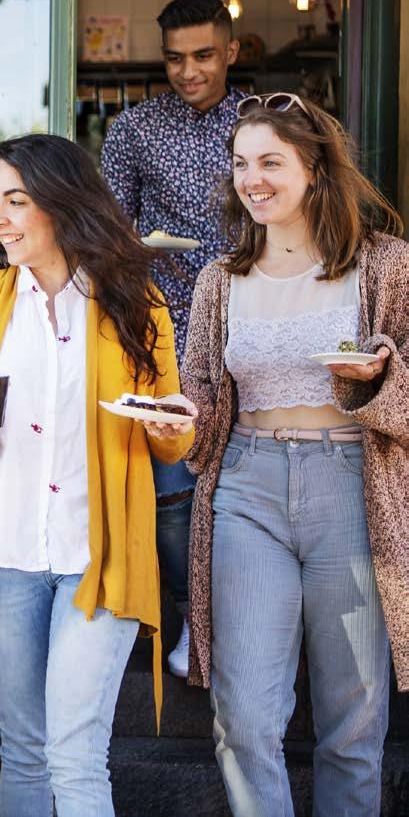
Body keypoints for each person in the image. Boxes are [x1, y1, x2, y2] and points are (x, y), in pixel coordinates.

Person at [0, 133, 196, 816]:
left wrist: (171, 426)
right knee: (23, 748)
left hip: (97, 559)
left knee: (74, 756)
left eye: (16, 200)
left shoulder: (134, 302)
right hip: (4, 556)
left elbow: (171, 439)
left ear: (62, 203)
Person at [181, 93, 408, 815]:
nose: (252, 178)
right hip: (245, 487)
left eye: (270, 161)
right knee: (243, 716)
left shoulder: (384, 266)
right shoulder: (220, 279)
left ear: (313, 168)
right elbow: (201, 397)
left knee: (353, 718)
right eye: (241, 163)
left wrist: (380, 375)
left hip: (349, 486)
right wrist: (177, 422)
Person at [101, 0, 246, 677]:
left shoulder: (262, 123)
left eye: (202, 56)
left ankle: (243, 626)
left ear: (231, 52)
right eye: (174, 59)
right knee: (174, 496)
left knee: (245, 492)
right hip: (166, 334)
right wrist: (134, 246)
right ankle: (190, 621)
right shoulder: (132, 129)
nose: (187, 71)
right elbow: (103, 236)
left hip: (252, 332)